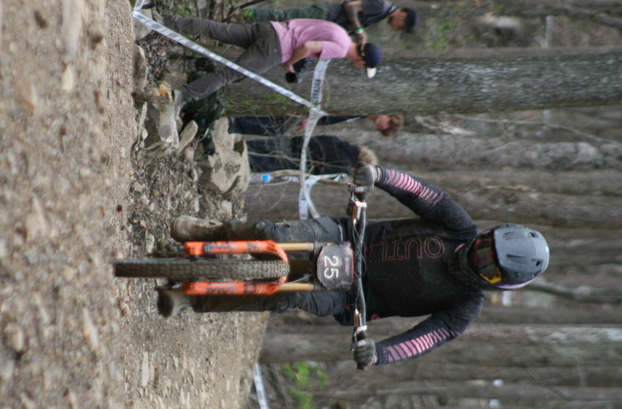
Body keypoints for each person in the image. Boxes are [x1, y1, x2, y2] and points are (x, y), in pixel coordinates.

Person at [158, 164, 550, 368]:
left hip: (349, 298)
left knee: (279, 296)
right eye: (484, 248)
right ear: (486, 235)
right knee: (271, 232)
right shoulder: (457, 225)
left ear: (497, 283)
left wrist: (380, 353)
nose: (478, 258)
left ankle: (194, 299)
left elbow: (424, 339)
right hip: (346, 236)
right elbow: (421, 193)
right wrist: (380, 177)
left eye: (489, 268)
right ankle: (212, 235)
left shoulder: (464, 307)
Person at [157, 14, 383, 116]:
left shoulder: (342, 33)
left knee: (218, 30)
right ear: (362, 61)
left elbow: (306, 35)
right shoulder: (341, 49)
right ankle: (182, 97)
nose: (360, 67)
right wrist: (290, 64)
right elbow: (309, 46)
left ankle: (166, 21)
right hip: (275, 49)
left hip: (271, 29)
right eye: (364, 67)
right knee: (228, 76)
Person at [239, 0, 419, 45]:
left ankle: (241, 23)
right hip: (325, 14)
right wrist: (358, 31)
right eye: (401, 26)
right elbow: (350, 5)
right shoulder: (381, 6)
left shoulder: (381, 14)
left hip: (325, 23)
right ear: (402, 16)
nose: (397, 28)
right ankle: (242, 14)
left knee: (283, 25)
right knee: (282, 16)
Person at [246, 134, 376, 175]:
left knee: (251, 146)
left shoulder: (337, 141)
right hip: (291, 160)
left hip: (290, 143)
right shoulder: (343, 166)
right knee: (251, 163)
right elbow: (317, 171)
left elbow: (316, 138)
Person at [231, 114, 404, 137]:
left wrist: (312, 122)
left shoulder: (360, 115)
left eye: (384, 128)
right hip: (309, 106)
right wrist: (310, 117)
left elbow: (331, 119)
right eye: (387, 121)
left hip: (313, 114)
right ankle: (236, 122)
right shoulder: (361, 107)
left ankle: (237, 125)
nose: (382, 124)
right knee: (279, 128)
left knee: (280, 129)